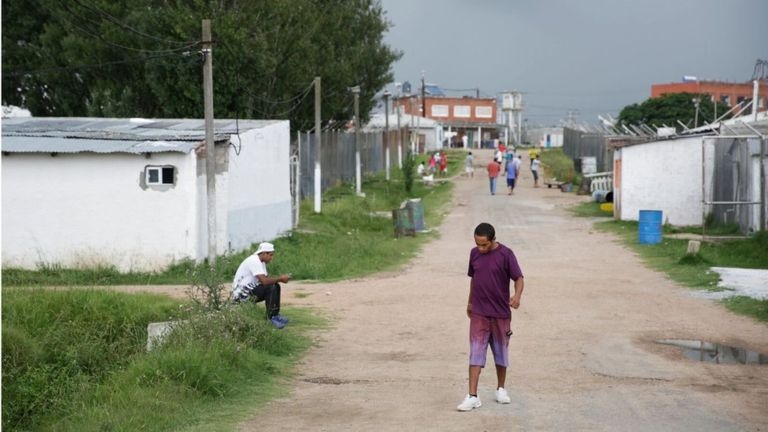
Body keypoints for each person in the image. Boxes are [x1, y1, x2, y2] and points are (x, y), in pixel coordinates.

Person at [457, 222, 524, 412]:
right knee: (476, 351)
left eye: (484, 244)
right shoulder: (474, 254)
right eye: (477, 243)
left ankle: (500, 389)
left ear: (493, 240)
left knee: (501, 351)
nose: (480, 248)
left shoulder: (506, 254)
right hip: (479, 311)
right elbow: (474, 279)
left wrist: (517, 296)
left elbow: (519, 278)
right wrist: (470, 302)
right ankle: (472, 396)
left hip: (500, 312)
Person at [231, 242, 291, 329]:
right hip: (242, 295)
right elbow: (265, 282)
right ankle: (271, 319)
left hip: (249, 290)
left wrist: (280, 279)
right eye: (270, 255)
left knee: (275, 286)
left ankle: (275, 316)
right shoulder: (254, 261)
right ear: (263, 253)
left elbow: (266, 280)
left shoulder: (261, 262)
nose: (271, 258)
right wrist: (280, 278)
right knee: (272, 287)